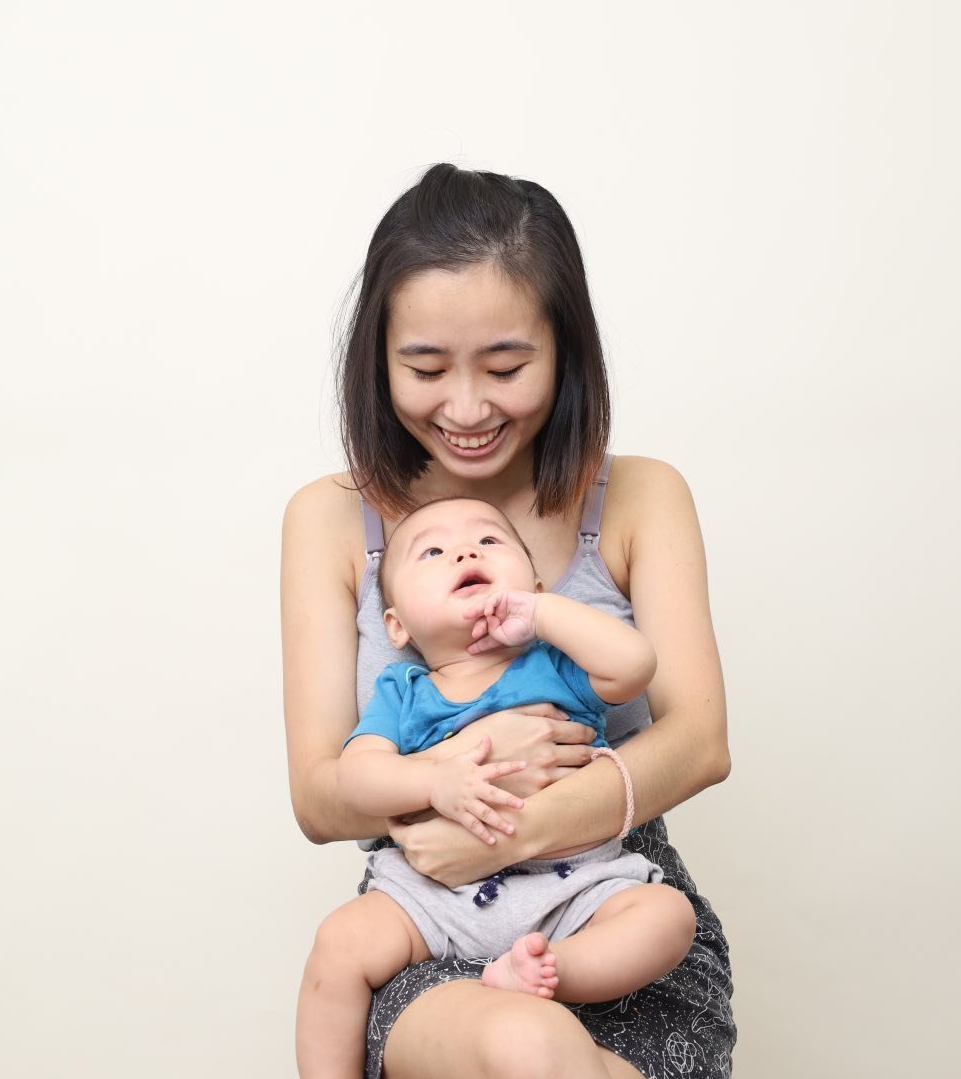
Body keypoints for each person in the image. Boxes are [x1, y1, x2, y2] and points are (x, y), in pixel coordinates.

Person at [281, 163, 735, 1079]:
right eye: (424, 368)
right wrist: (443, 778)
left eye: (505, 367)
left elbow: (700, 742)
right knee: (528, 1048)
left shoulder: (641, 497)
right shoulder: (330, 521)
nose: (466, 408)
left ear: (564, 349)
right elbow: (320, 798)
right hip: (432, 915)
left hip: (603, 901)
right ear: (378, 358)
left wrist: (522, 823)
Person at [296, 497, 697, 1077]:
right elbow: (354, 778)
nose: (465, 552)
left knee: (666, 916)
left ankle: (549, 968)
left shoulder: (555, 664)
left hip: (571, 886)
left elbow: (634, 664)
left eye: (489, 541)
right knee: (339, 943)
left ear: (534, 585)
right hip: (436, 895)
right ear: (397, 625)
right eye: (433, 552)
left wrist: (544, 615)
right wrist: (433, 778)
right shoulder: (404, 690)